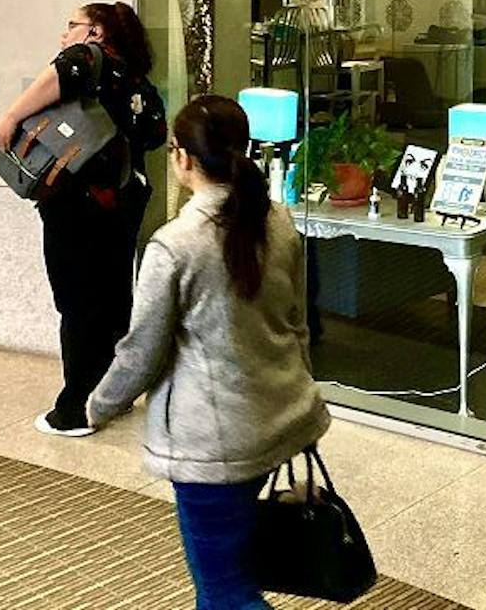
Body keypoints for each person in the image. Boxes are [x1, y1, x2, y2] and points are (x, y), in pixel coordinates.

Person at [88, 95, 330, 610]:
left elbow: (141, 350)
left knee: (225, 594)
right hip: (276, 419)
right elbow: (298, 325)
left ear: (182, 158)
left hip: (212, 444)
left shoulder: (174, 245)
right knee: (233, 575)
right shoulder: (280, 223)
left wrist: (99, 405)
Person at [0, 2, 166, 436]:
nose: (64, 35)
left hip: (79, 204)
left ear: (97, 32)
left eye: (73, 25)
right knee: (111, 299)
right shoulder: (138, 81)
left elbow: (58, 73)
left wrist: (11, 116)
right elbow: (156, 136)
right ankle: (112, 395)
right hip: (126, 201)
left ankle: (73, 410)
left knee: (77, 302)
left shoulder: (88, 60)